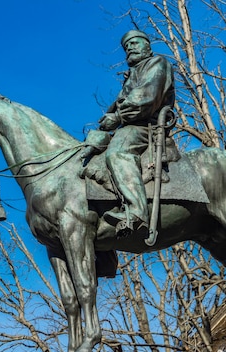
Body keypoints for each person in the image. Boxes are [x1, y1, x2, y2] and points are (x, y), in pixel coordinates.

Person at [92, 30, 178, 236]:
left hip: (145, 126)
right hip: (130, 125)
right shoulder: (133, 74)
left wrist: (119, 116)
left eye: (135, 42)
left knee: (118, 153)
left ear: (147, 45)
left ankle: (137, 212)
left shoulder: (157, 63)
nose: (130, 47)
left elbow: (146, 96)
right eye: (126, 45)